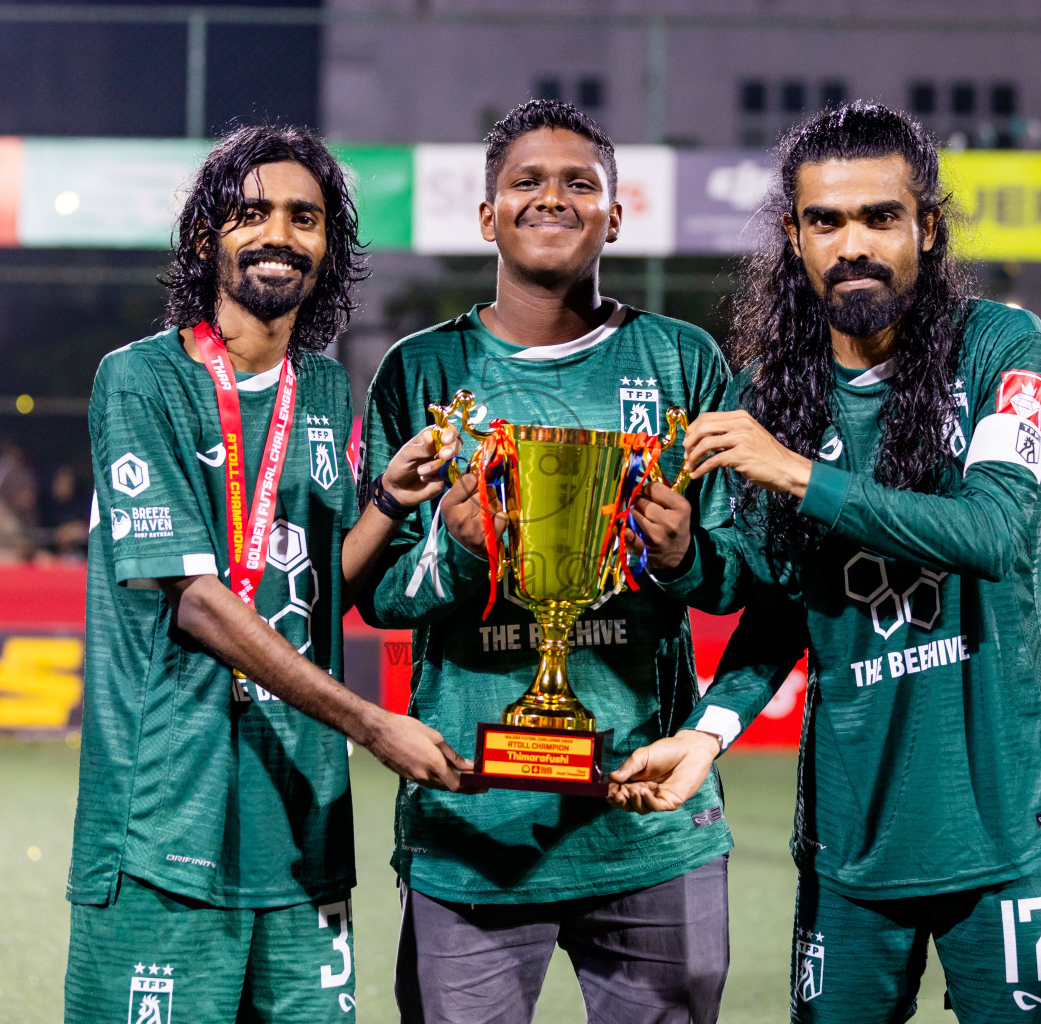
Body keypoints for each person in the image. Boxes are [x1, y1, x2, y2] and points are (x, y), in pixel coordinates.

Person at [612, 103, 1041, 1023]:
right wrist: (681, 558)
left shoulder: (1001, 347)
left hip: (1002, 837)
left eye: (879, 217)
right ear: (793, 236)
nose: (852, 244)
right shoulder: (768, 396)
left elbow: (992, 534)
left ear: (927, 227)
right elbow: (777, 597)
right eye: (825, 222)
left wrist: (796, 472)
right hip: (849, 851)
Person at [64, 124, 469, 1024]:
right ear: (208, 235)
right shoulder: (139, 382)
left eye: (305, 216)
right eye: (250, 213)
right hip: (168, 818)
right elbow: (203, 603)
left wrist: (391, 505)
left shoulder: (324, 391)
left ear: (331, 246)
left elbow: (323, 587)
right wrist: (372, 724)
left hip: (300, 820)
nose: (278, 233)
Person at [356, 99, 735, 1024]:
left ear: (617, 212)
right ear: (487, 215)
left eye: (580, 183)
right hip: (473, 826)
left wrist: (683, 555)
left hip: (646, 826)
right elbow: (373, 591)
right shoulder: (420, 371)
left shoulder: (683, 361)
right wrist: (453, 554)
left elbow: (740, 578)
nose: (551, 198)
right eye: (525, 181)